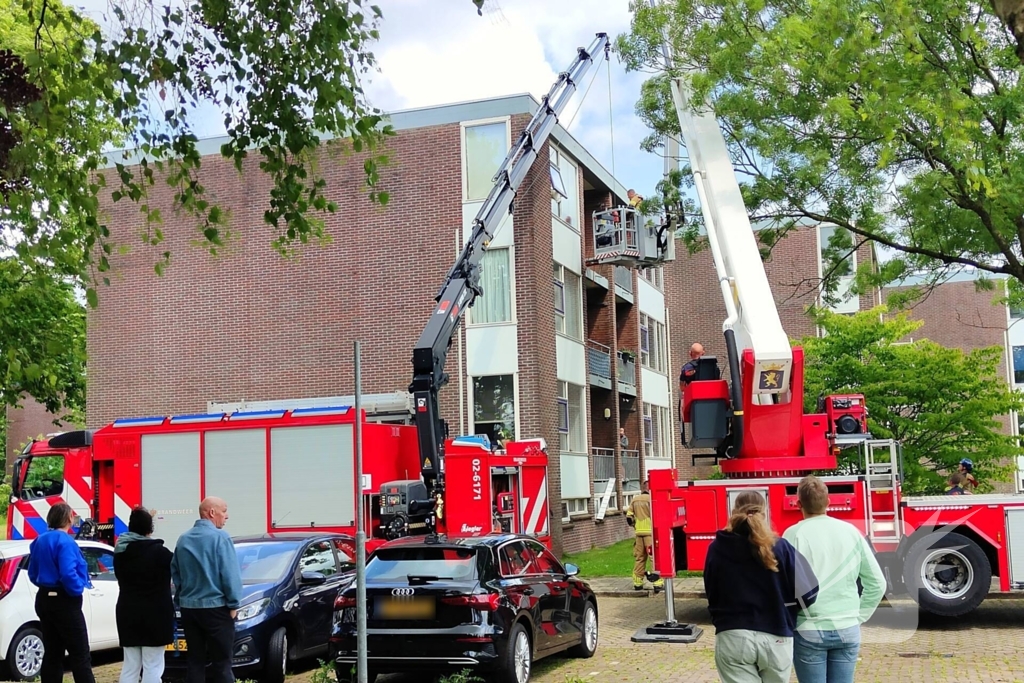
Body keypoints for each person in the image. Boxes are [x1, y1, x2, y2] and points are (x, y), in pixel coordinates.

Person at [704, 491, 819, 683]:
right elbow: (809, 592)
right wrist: (789, 611)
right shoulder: (781, 547)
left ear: (733, 511)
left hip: (733, 634)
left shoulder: (717, 548)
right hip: (777, 635)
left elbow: (711, 590)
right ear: (765, 512)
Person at [783, 476, 886, 683]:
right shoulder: (851, 532)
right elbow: (877, 583)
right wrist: (858, 617)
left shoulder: (792, 535)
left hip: (809, 627)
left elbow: (782, 586)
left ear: (798, 504)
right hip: (847, 627)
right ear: (829, 502)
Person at [171, 497, 243, 683]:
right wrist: (234, 603)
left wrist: (181, 598)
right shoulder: (221, 537)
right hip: (217, 608)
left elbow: (176, 572)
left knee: (195, 662)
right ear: (212, 512)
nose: (227, 516)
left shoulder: (184, 539)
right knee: (222, 664)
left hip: (190, 609)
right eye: (224, 511)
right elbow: (230, 575)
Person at [27, 502, 96, 683]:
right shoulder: (66, 541)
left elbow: (32, 573)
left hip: (44, 598)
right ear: (68, 519)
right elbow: (68, 572)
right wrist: (76, 590)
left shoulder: (39, 540)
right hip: (64, 600)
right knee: (80, 653)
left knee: (52, 652)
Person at [115, 507, 174, 683]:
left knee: (130, 666)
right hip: (155, 616)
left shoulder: (120, 552)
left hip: (127, 613)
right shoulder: (161, 553)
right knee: (153, 666)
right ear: (150, 529)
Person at [625, 480, 664, 593]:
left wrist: (635, 526)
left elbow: (629, 518)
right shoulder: (652, 499)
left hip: (639, 534)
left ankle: (637, 583)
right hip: (650, 534)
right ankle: (657, 583)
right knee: (654, 558)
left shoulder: (635, 499)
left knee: (639, 558)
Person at [679, 342, 705, 445]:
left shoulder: (686, 368)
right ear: (703, 353)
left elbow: (682, 385)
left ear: (690, 353)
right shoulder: (712, 365)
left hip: (694, 401)